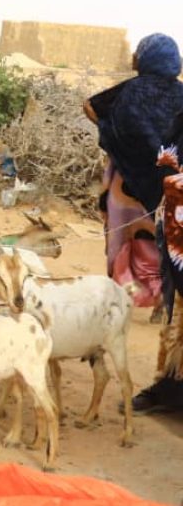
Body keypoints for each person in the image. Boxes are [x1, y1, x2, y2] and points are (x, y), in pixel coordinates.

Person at [85, 33, 183, 412]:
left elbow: (93, 108)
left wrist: (115, 139)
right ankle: (169, 385)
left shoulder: (129, 93)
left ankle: (124, 298)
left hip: (141, 193)